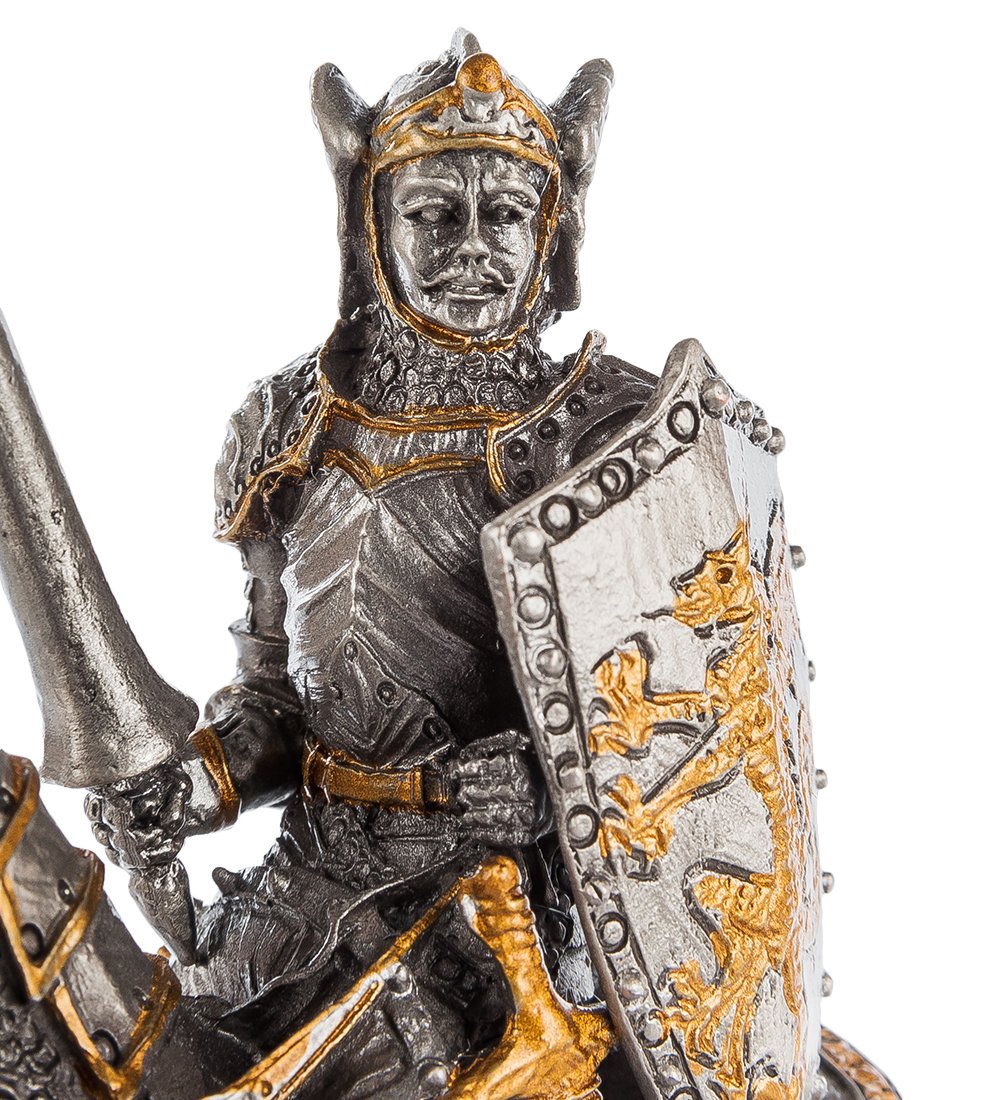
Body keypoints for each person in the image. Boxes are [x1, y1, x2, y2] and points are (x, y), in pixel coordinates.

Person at [86, 29, 657, 1098]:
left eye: (507, 214)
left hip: (513, 912)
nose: (473, 249)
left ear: (553, 228)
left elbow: (673, 719)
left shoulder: (607, 435)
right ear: (371, 224)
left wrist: (552, 788)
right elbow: (275, 703)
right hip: (308, 894)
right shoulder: (287, 428)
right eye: (434, 214)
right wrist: (195, 786)